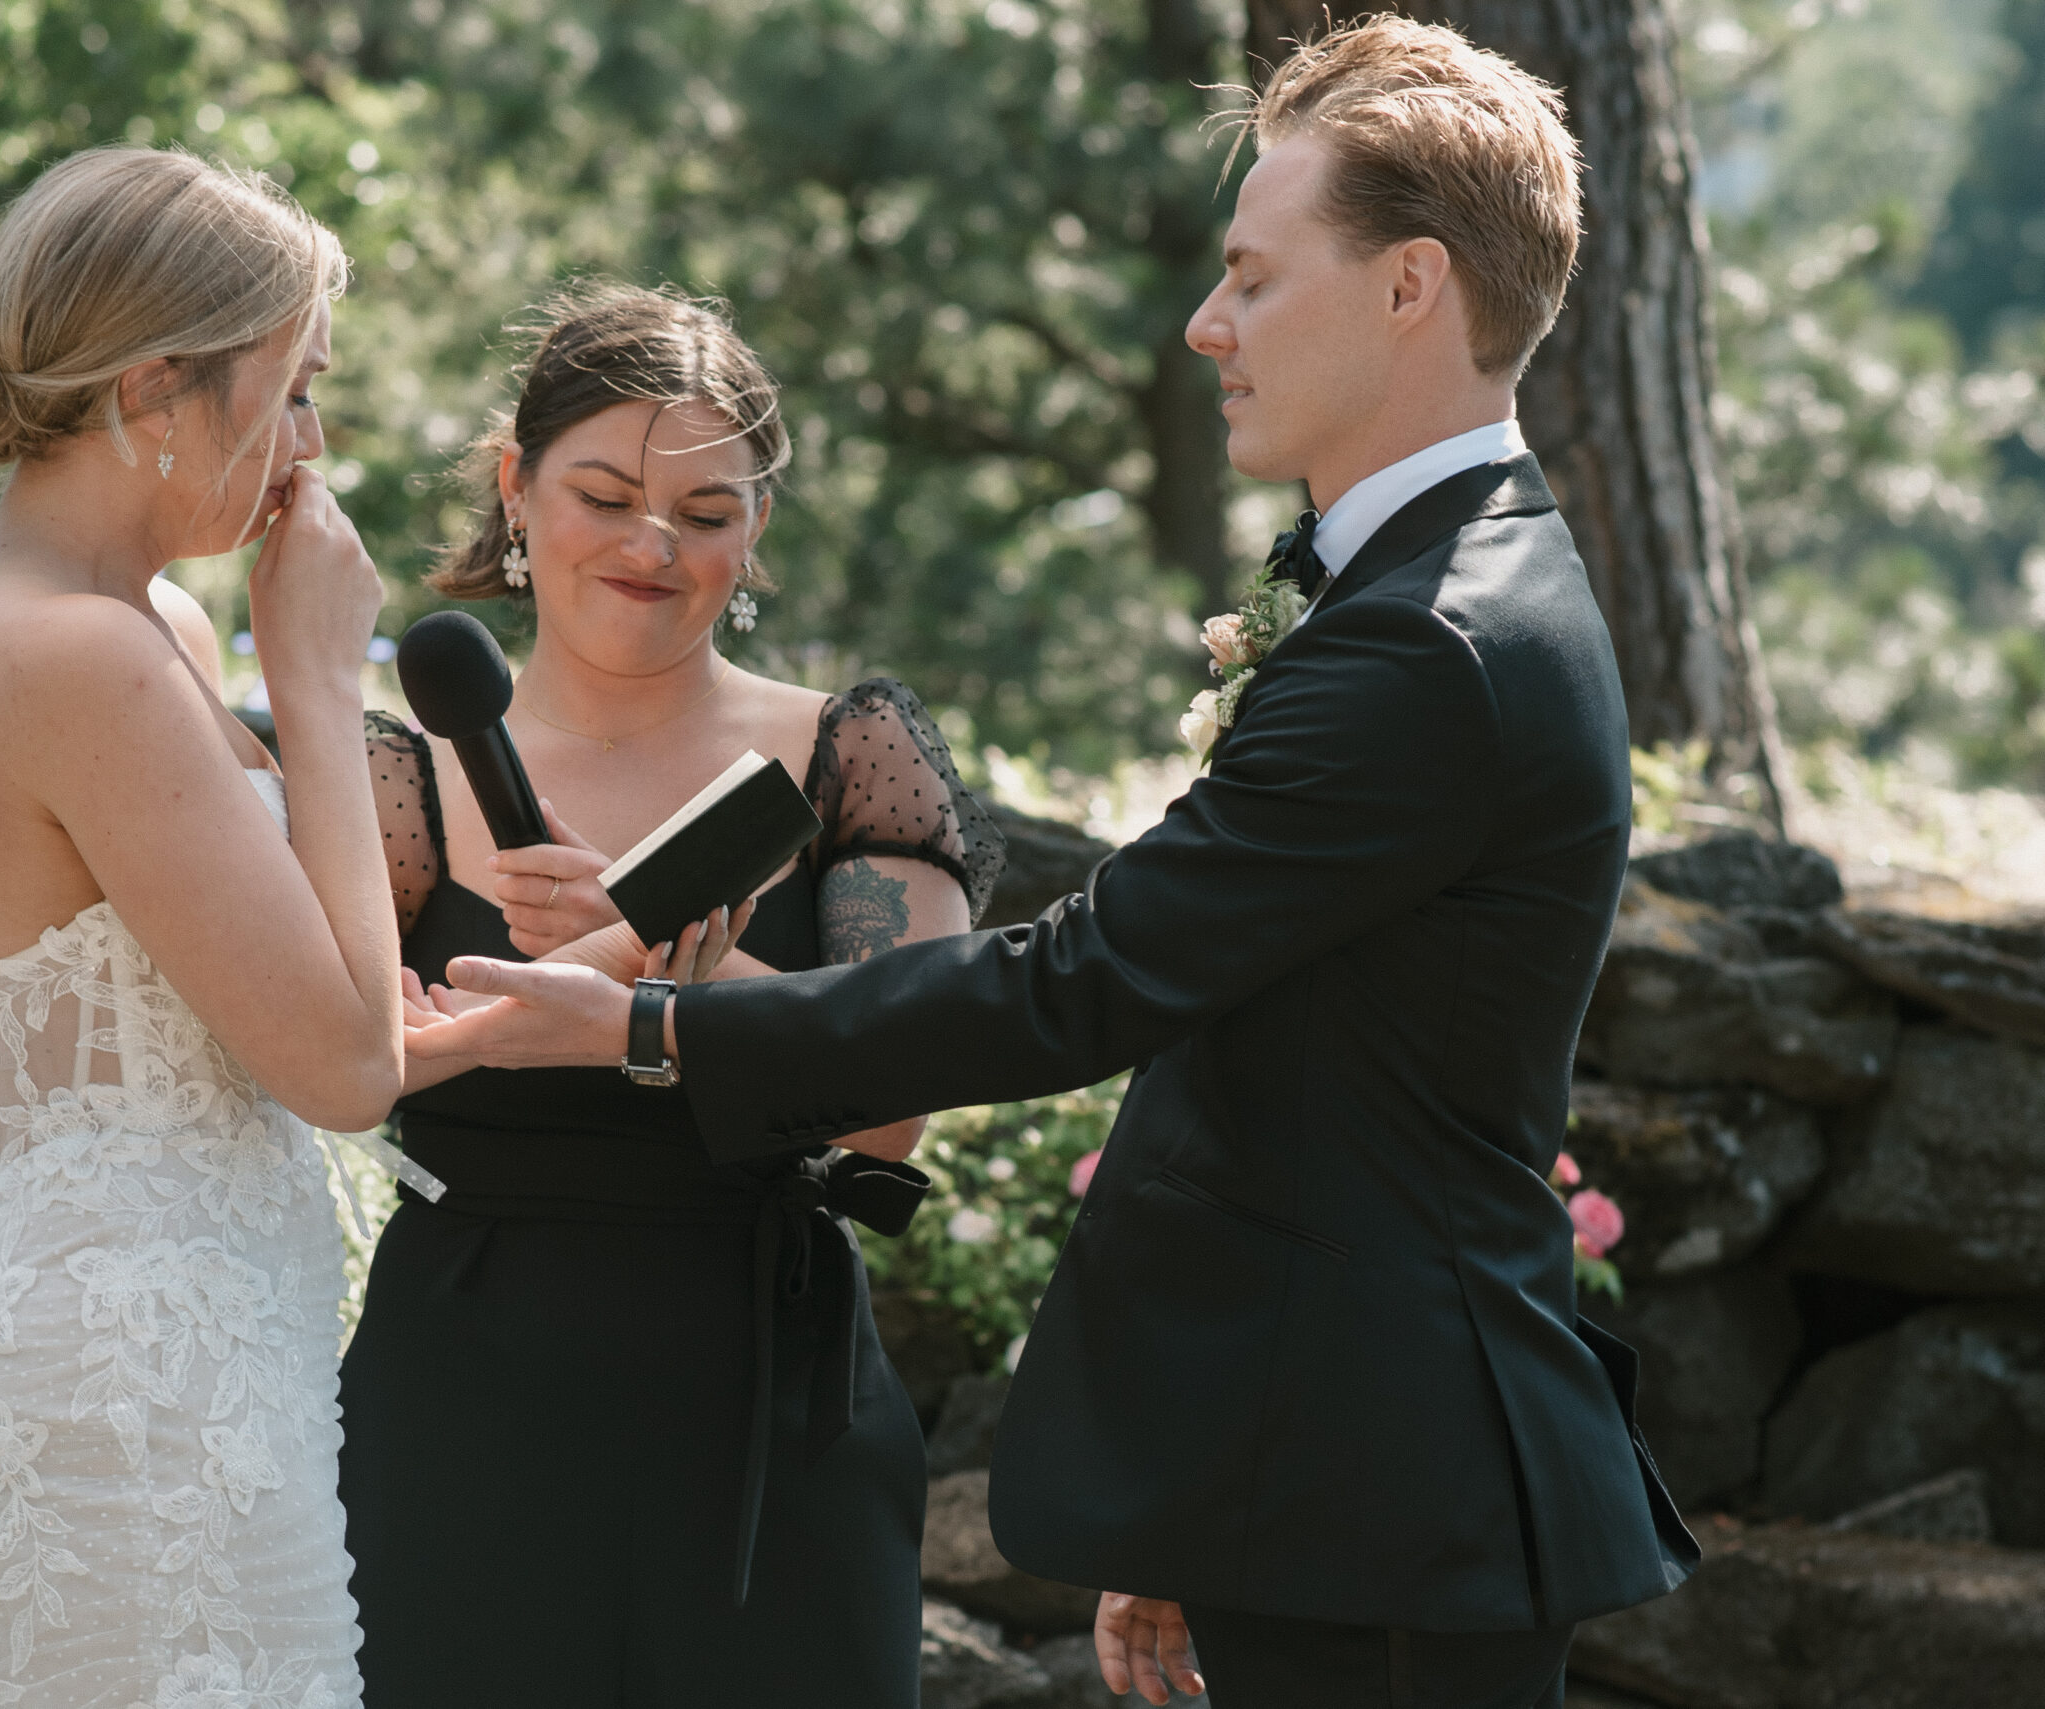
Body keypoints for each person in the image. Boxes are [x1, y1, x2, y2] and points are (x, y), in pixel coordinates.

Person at [398, 21, 1703, 1709]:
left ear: (1410, 289)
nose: (1205, 325)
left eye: (1251, 275)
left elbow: (1086, 981)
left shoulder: (1433, 642)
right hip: (1304, 1467)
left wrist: (652, 1024)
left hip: (1379, 1485)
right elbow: (1274, 1057)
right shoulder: (1430, 594)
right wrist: (1188, 1500)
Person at [0, 147, 420, 1709]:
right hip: (126, 1416)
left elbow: (284, 982)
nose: (312, 442)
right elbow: (344, 1062)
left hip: (201, 1382)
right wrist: (315, 679)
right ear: (155, 393)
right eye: (295, 389)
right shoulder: (73, 653)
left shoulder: (141, 623)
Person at [338, 282, 1004, 1709]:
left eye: (707, 512)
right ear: (518, 490)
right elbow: (328, 1063)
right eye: (605, 494)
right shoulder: (403, 776)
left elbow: (896, 1118)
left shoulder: (849, 753)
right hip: (466, 1391)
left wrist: (667, 964)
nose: (655, 545)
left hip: (762, 1396)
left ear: (756, 527)